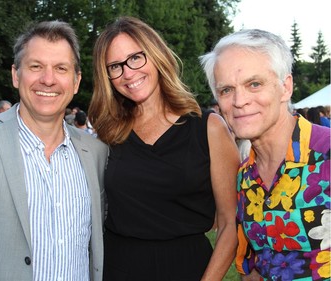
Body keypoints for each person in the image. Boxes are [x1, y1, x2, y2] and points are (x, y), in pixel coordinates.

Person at [88, 16, 240, 281]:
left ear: (156, 55)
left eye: (136, 58)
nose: (128, 73)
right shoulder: (108, 133)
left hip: (189, 269)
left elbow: (230, 222)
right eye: (115, 66)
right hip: (120, 269)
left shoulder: (208, 128)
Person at [0, 20, 108, 281]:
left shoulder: (97, 152)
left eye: (61, 68)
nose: (48, 80)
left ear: (76, 81)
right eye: (36, 66)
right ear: (16, 75)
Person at [200, 29, 330, 281]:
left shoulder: (326, 156)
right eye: (226, 90)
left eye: (254, 84)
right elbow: (254, 268)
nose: (239, 101)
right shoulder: (245, 179)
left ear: (285, 87)